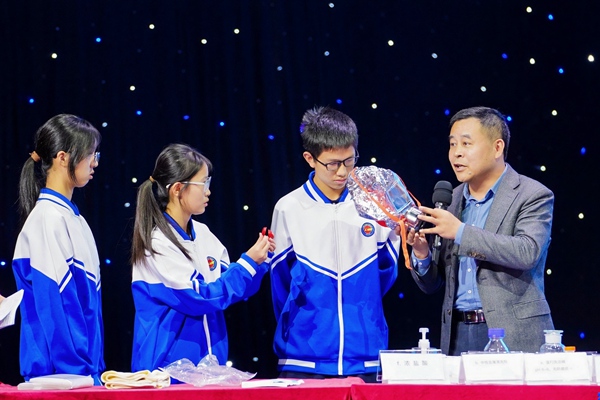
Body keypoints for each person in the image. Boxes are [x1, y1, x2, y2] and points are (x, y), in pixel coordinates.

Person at [408, 106, 554, 355]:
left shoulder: (532, 194)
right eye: (452, 144)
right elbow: (434, 285)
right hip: (458, 333)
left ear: (497, 148)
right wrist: (422, 256)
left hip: (512, 333)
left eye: (466, 144)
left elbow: (527, 252)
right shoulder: (451, 200)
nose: (457, 153)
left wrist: (461, 232)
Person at [270, 106, 401, 382]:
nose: (342, 171)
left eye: (349, 160)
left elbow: (386, 273)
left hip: (365, 357)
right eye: (332, 163)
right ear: (310, 159)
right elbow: (280, 284)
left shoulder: (377, 205)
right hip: (304, 358)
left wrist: (362, 306)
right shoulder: (289, 208)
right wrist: (302, 323)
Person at [130, 143, 274, 373]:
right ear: (178, 188)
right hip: (166, 373)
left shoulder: (204, 234)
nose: (208, 191)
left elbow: (230, 288)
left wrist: (259, 262)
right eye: (203, 183)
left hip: (207, 369)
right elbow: (199, 298)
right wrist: (247, 263)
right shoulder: (157, 243)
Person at [12, 114, 104, 383]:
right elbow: (57, 305)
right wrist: (78, 371)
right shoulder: (48, 218)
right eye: (90, 154)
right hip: (59, 377)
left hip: (80, 374)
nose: (95, 162)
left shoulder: (75, 220)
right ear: (63, 157)